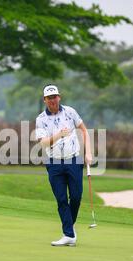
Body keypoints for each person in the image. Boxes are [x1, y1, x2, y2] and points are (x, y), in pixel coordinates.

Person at [35, 84, 92, 246]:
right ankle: (68, 234)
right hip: (54, 163)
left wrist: (88, 153)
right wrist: (59, 135)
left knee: (76, 196)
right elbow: (44, 143)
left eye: (55, 97)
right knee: (61, 199)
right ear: (45, 100)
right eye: (49, 98)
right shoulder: (41, 119)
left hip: (73, 160)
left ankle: (69, 227)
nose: (53, 100)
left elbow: (84, 130)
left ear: (59, 97)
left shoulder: (70, 112)